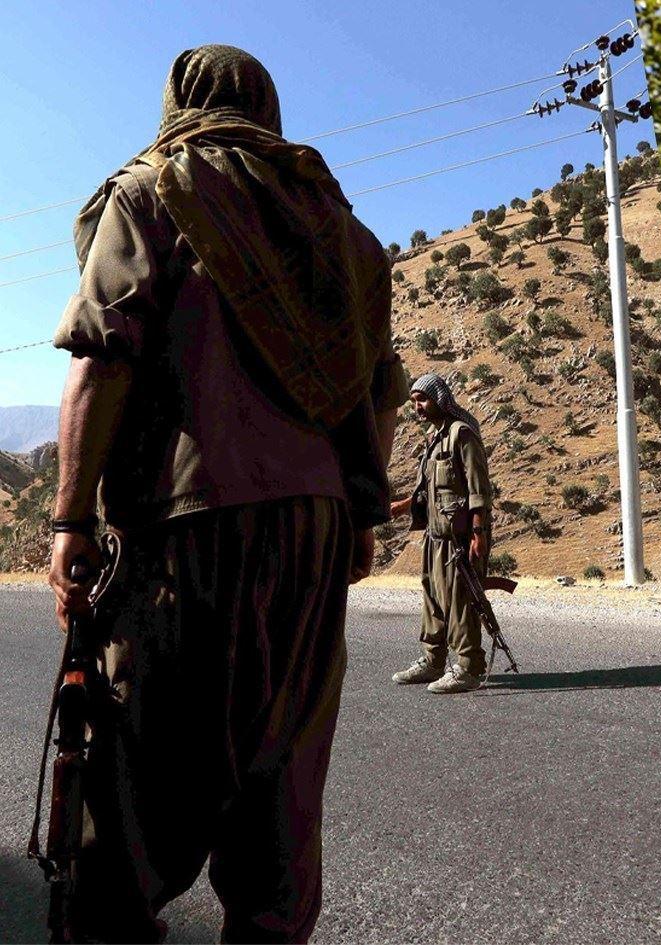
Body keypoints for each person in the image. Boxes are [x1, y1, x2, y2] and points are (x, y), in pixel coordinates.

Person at [46, 45, 405, 943]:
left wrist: (68, 518)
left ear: (178, 102)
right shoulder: (345, 235)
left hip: (190, 521)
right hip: (318, 529)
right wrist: (358, 510)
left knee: (134, 788)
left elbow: (101, 359)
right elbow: (381, 390)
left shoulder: (154, 192)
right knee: (282, 777)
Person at [389, 373, 495, 694]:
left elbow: (479, 490)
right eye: (414, 402)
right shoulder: (434, 439)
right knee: (433, 599)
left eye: (423, 400)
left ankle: (468, 667)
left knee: (461, 601)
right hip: (434, 538)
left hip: (460, 539)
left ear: (439, 398)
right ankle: (433, 661)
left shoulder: (461, 435)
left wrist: (479, 534)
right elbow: (429, 491)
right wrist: (404, 505)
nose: (418, 407)